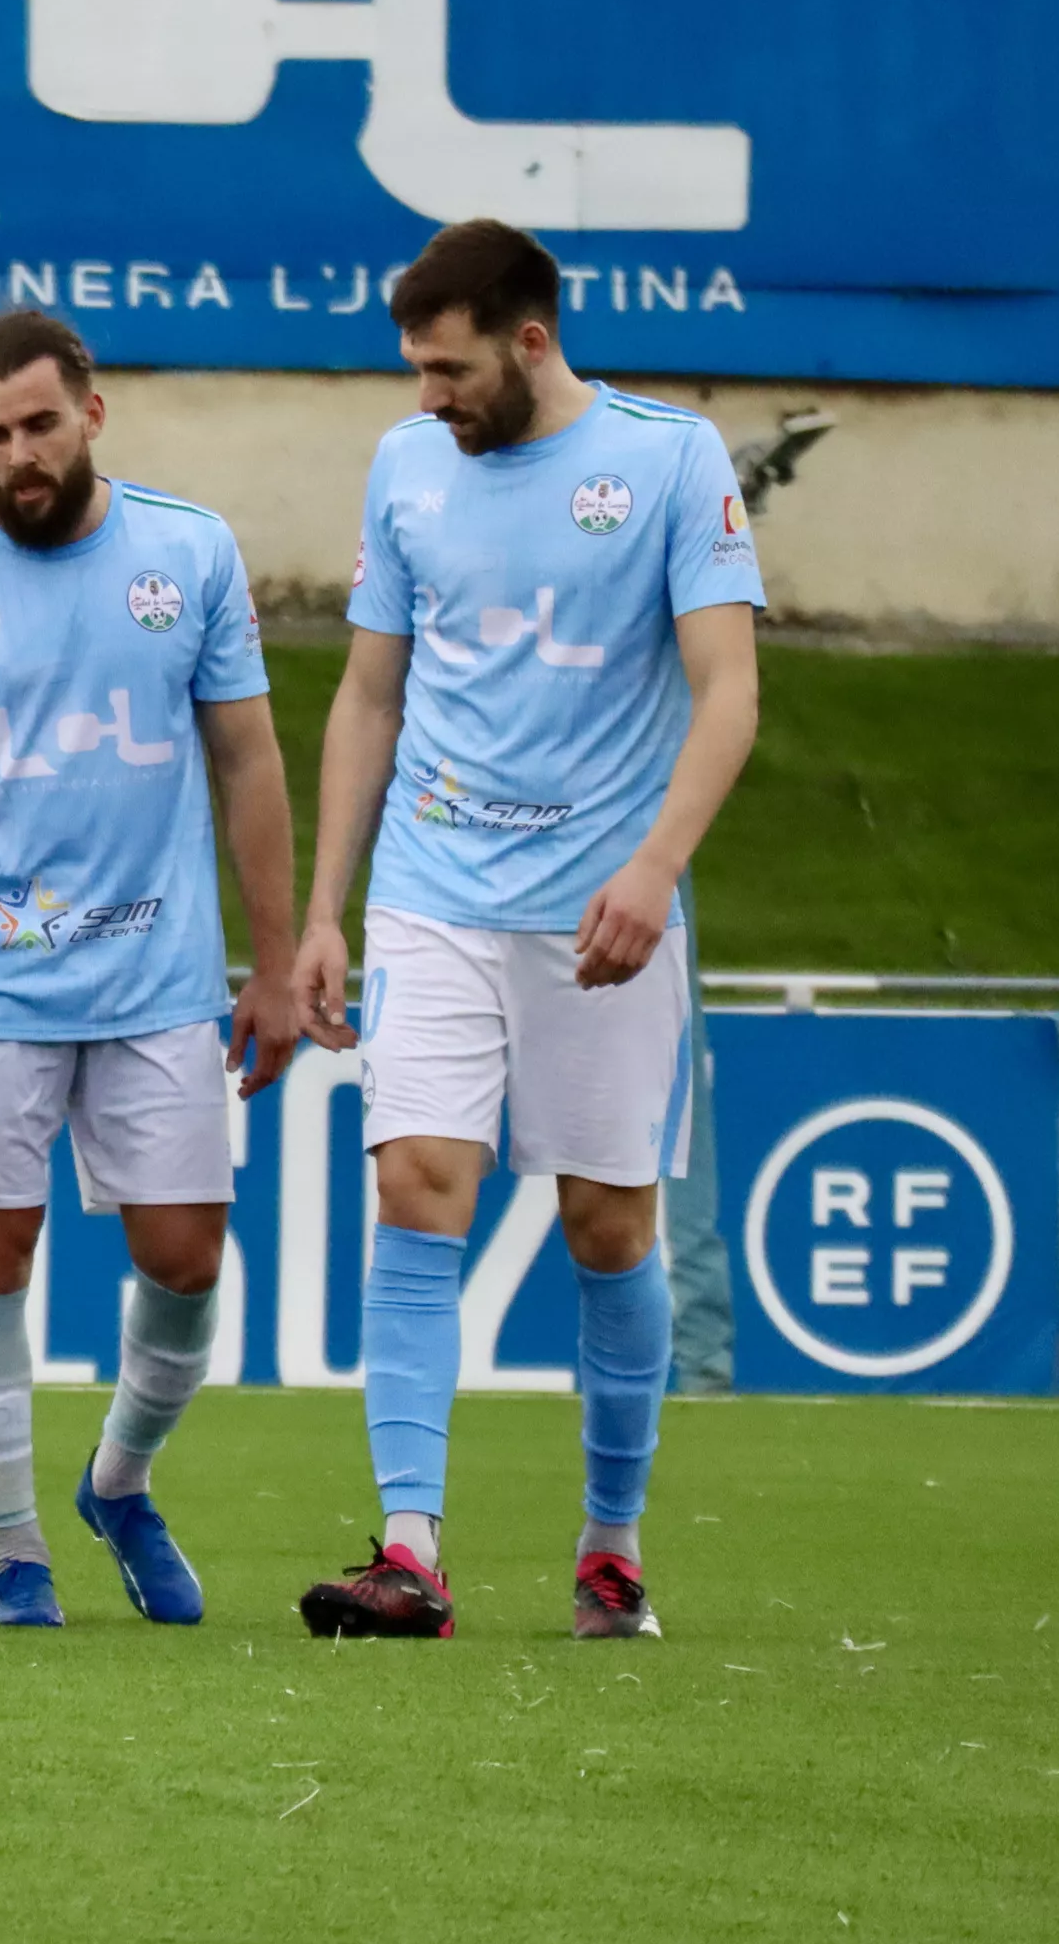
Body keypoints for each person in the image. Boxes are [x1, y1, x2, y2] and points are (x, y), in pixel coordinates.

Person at [288, 217, 764, 1645]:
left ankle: (611, 1546)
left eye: (447, 369)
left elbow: (727, 691)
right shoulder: (405, 467)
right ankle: (409, 1550)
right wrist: (326, 906)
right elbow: (371, 694)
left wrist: (654, 864)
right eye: (416, 372)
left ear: (532, 340)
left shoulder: (672, 461)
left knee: (606, 1225)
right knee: (420, 1181)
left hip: (601, 917)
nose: (427, 398)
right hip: (434, 894)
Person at [0, 313, 304, 1631]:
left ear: (92, 414)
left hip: (161, 979)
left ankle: (119, 1482)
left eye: (39, 426)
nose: (17, 456)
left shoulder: (189, 551)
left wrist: (272, 969)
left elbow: (250, 764)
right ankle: (14, 1558)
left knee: (186, 1257)